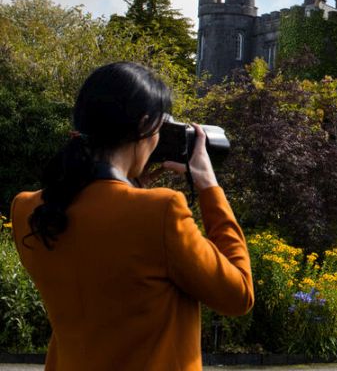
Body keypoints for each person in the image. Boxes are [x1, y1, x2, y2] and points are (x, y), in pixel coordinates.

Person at [11, 62, 254, 371]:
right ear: (144, 127)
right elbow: (239, 294)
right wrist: (208, 186)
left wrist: (131, 183)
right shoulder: (161, 211)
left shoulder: (26, 209)